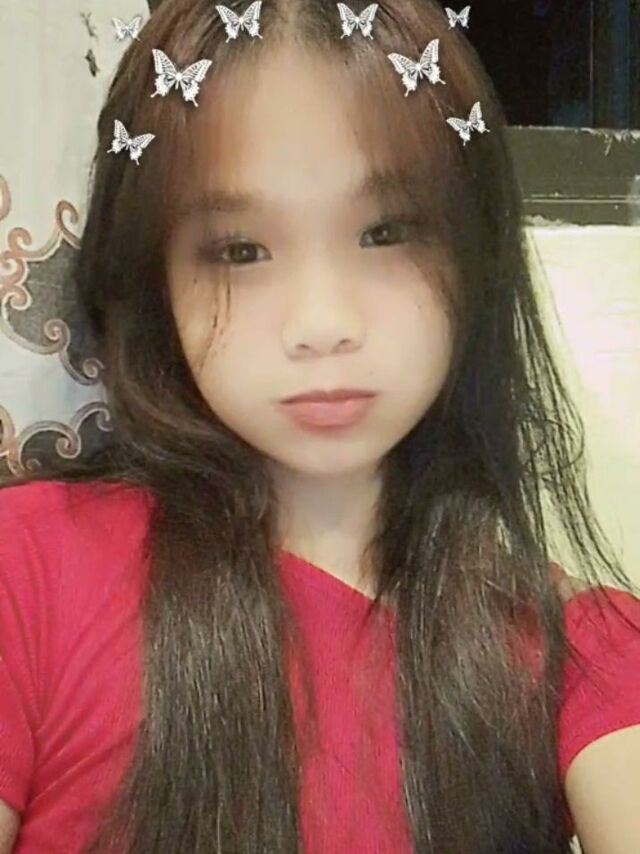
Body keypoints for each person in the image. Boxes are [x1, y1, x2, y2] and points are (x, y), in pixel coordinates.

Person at [0, 0, 639, 851]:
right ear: (157, 279)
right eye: (239, 250)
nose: (322, 323)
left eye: (387, 232)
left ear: (473, 255)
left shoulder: (584, 648)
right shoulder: (27, 571)